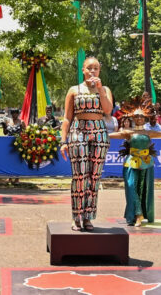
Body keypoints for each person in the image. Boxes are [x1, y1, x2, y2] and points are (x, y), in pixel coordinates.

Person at [109, 98, 161, 226]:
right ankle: (137, 214)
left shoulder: (148, 132)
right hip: (131, 162)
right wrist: (95, 133)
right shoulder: (128, 132)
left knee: (142, 188)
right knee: (131, 187)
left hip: (146, 163)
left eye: (141, 116)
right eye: (136, 116)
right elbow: (110, 135)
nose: (139, 118)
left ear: (144, 117)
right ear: (133, 118)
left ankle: (141, 214)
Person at [60, 57, 112, 231]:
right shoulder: (74, 90)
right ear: (83, 70)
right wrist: (63, 140)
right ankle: (77, 217)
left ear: (99, 71)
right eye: (89, 68)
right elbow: (67, 117)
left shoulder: (104, 90)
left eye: (96, 68)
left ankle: (88, 217)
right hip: (78, 131)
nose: (92, 71)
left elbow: (107, 111)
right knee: (80, 175)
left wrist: (100, 91)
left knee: (94, 177)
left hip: (99, 132)